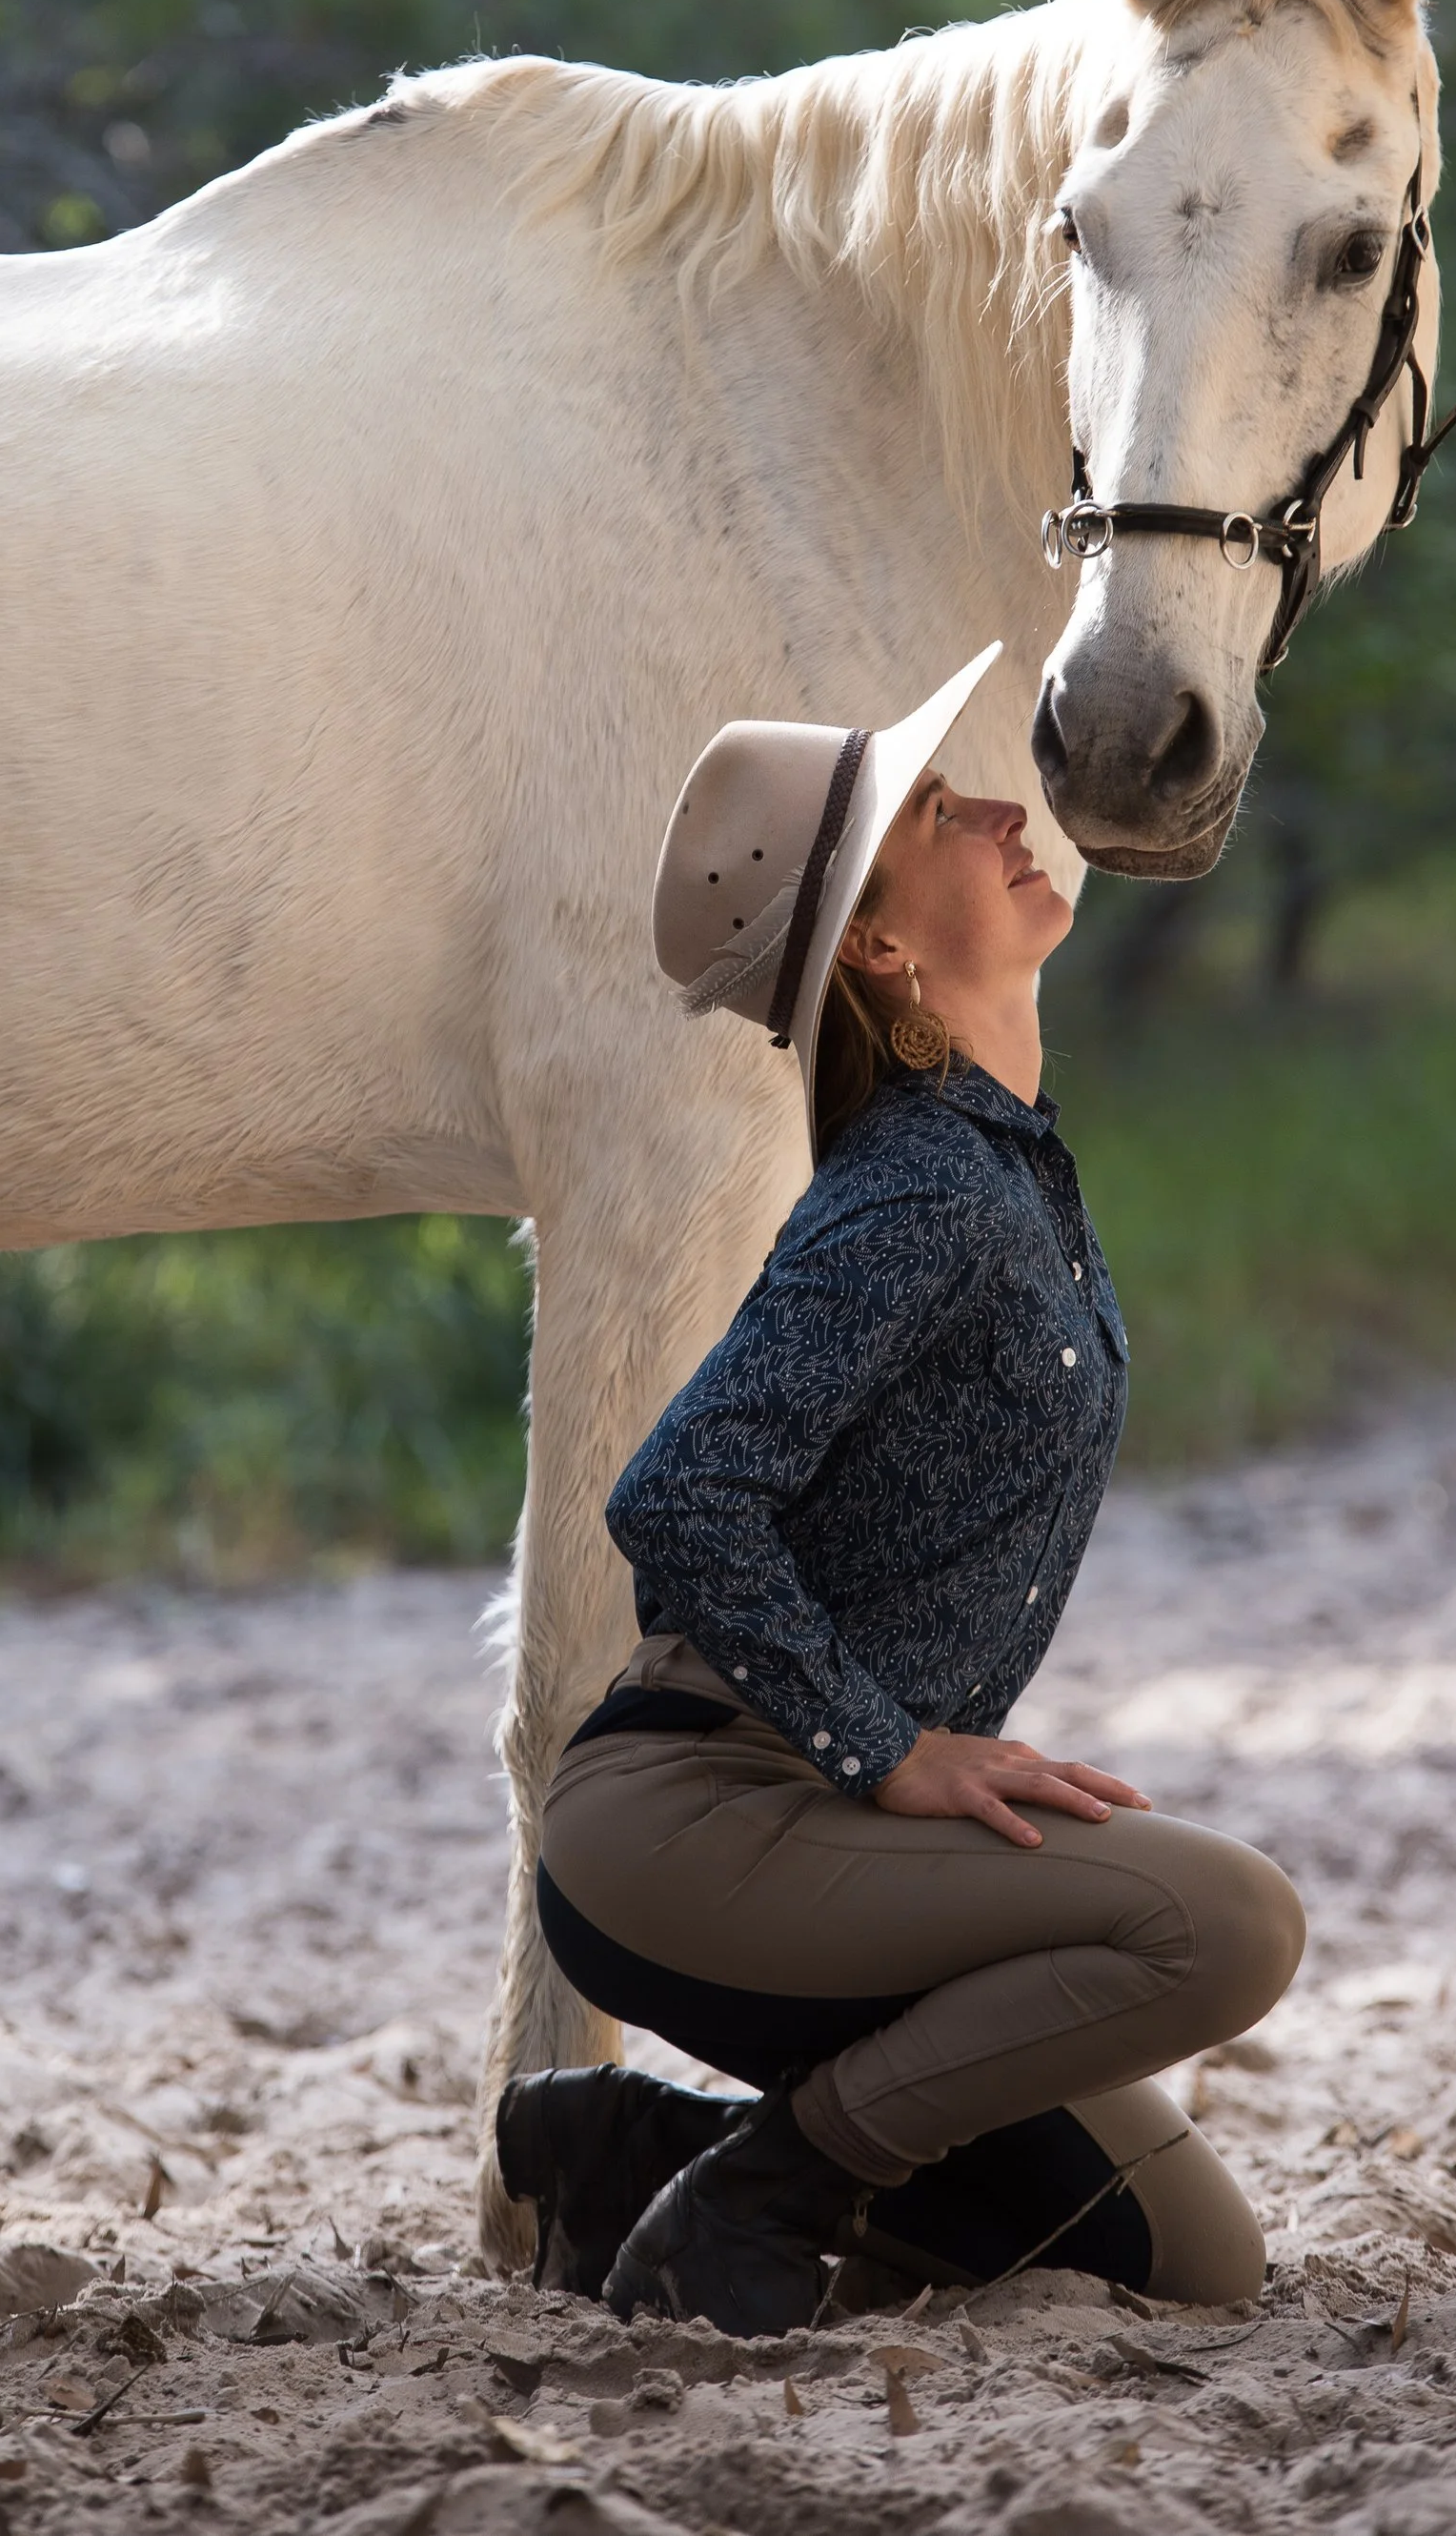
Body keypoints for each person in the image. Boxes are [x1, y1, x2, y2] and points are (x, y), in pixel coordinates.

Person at [495, 644, 1305, 2334]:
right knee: (1227, 1920)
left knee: (1181, 2259)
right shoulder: (922, 1189)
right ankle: (773, 2191)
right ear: (877, 942)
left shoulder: (1005, 1161)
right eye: (943, 809)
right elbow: (679, 1491)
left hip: (825, 1833)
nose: (1012, 808)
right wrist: (893, 1745)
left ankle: (633, 2156)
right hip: (698, 1821)